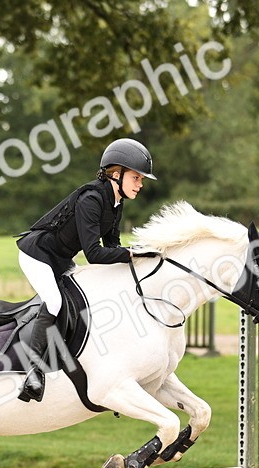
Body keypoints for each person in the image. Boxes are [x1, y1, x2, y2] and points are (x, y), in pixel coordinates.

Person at [14, 137, 156, 402]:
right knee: (55, 303)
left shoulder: (115, 202)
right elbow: (94, 254)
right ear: (117, 174)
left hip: (61, 258)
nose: (141, 184)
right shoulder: (91, 199)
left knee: (85, 298)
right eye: (136, 178)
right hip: (38, 255)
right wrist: (132, 254)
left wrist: (136, 254)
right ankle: (33, 373)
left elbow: (112, 245)